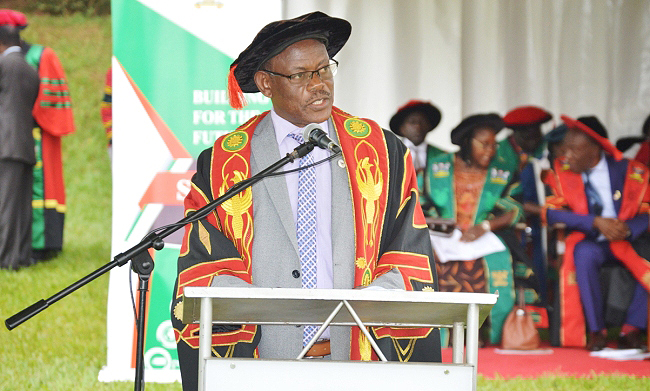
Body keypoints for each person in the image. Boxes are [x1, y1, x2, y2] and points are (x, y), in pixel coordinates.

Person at [170, 11, 440, 390]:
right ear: (266, 83)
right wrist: (262, 306)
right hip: (266, 360)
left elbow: (407, 248)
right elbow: (204, 261)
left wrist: (374, 301)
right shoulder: (225, 162)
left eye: (324, 69)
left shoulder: (379, 151)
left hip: (359, 352)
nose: (320, 86)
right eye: (301, 75)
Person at [420, 113, 538, 345]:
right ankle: (442, 334)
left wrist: (485, 226)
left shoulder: (502, 172)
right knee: (433, 260)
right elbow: (418, 202)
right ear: (466, 143)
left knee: (494, 258)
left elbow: (515, 208)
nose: (491, 150)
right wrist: (441, 225)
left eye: (494, 145)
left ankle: (485, 331)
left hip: (484, 237)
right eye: (484, 144)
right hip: (442, 236)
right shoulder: (437, 167)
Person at [541, 115, 650, 350]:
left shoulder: (630, 170)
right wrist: (594, 222)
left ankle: (632, 329)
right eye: (565, 149)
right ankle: (596, 330)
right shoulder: (562, 172)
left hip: (628, 238)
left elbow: (647, 210)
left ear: (594, 150)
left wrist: (629, 228)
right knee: (583, 254)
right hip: (593, 240)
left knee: (648, 258)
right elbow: (551, 213)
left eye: (573, 150)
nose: (565, 156)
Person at [0, 10, 75, 260]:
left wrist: (26, 118)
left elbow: (51, 98)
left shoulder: (41, 55)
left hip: (38, 134)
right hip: (18, 135)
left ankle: (40, 245)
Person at [0, 25, 40, 270]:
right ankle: (22, 256)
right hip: (24, 143)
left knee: (5, 205)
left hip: (5, 143)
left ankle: (6, 260)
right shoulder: (30, 68)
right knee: (21, 207)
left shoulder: (5, 65)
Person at [388, 100, 443, 174]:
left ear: (429, 126)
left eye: (422, 122)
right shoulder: (388, 155)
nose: (418, 126)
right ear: (401, 128)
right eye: (412, 122)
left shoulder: (441, 156)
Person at [498, 105, 553, 174]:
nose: (533, 142)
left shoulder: (548, 147)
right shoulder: (498, 152)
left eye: (536, 137)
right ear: (514, 135)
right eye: (527, 138)